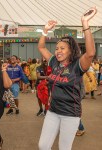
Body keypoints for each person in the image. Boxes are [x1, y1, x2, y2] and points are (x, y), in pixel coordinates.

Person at [38, 7, 97, 150]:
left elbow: (90, 53)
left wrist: (85, 23)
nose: (58, 51)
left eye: (62, 48)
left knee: (64, 147)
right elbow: (41, 47)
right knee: (43, 145)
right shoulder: (54, 62)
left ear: (71, 50)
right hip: (52, 111)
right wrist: (45, 31)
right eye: (57, 48)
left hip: (70, 114)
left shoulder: (77, 65)